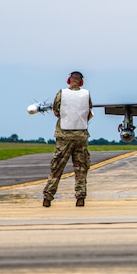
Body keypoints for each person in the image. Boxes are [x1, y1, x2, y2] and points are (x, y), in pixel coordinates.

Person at [43, 71, 93, 207]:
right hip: (81, 137)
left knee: (57, 168)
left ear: (69, 80)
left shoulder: (62, 93)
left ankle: (48, 197)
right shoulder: (86, 94)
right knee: (81, 168)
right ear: (81, 82)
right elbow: (89, 113)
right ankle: (80, 197)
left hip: (64, 136)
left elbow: (55, 111)